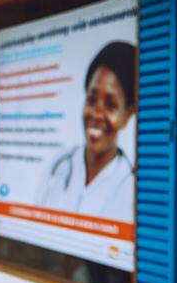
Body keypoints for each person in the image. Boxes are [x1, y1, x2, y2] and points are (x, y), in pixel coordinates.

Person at [34, 41, 137, 223]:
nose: (97, 114)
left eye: (110, 105)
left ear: (127, 115)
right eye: (91, 99)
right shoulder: (59, 167)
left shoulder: (129, 187)